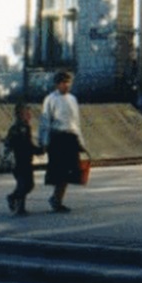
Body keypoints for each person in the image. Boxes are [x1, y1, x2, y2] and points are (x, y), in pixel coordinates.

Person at [39, 70, 85, 213]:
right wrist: (45, 141)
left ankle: (57, 198)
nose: (66, 86)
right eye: (63, 83)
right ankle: (56, 199)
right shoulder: (50, 99)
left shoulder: (72, 99)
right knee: (59, 171)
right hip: (57, 137)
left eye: (68, 82)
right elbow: (45, 121)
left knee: (70, 172)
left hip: (70, 137)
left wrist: (80, 141)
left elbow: (76, 121)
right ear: (57, 84)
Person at [5, 103, 42, 216]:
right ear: (20, 114)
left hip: (26, 160)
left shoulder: (26, 127)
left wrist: (36, 150)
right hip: (19, 160)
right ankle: (14, 200)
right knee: (24, 184)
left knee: (28, 184)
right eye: (27, 113)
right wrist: (37, 150)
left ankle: (19, 205)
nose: (29, 115)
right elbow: (20, 144)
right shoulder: (17, 128)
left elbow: (28, 144)